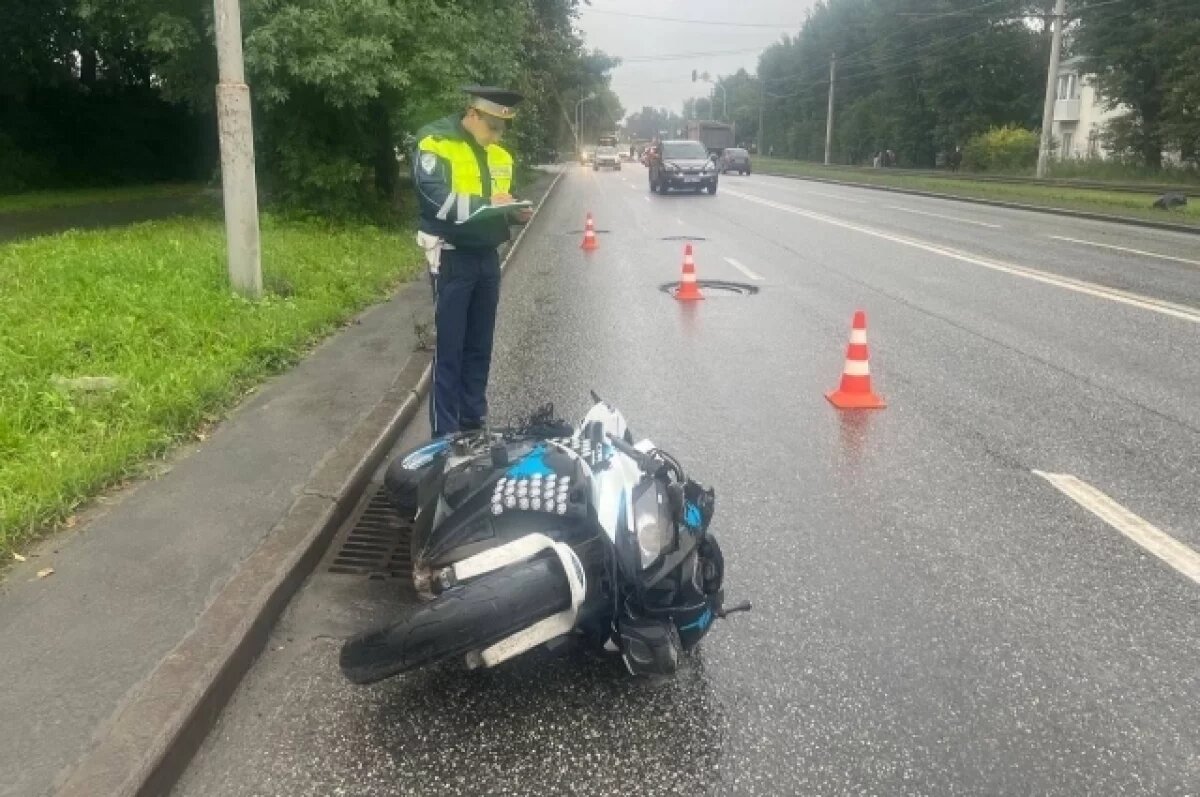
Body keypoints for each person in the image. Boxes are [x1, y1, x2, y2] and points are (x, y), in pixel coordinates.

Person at [413, 85, 534, 437]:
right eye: (492, 127)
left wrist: (513, 214)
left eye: (502, 129)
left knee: (480, 346)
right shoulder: (435, 142)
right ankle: (445, 438)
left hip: (487, 259)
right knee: (451, 348)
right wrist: (487, 205)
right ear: (473, 113)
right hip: (452, 258)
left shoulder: (499, 155)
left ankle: (472, 423)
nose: (497, 136)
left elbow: (499, 203)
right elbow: (433, 197)